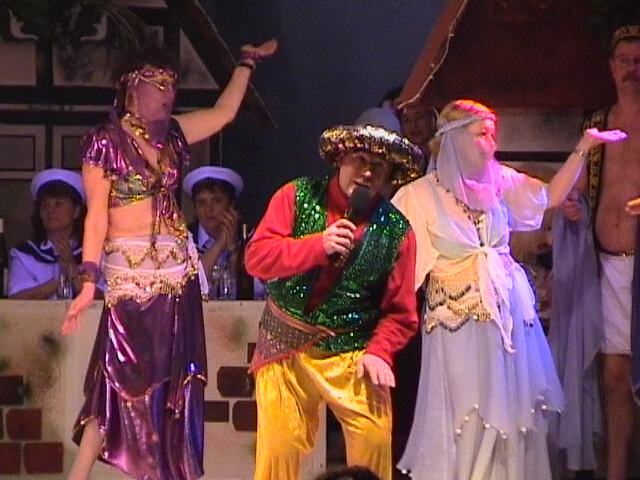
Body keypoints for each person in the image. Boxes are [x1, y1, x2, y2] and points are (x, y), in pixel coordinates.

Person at [60, 38, 277, 480]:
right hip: (131, 276)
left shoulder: (174, 134)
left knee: (176, 383)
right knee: (116, 377)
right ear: (131, 87)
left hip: (178, 277)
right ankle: (78, 475)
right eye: (158, 83)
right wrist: (88, 282)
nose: (168, 92)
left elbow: (224, 113)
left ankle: (168, 473)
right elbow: (96, 218)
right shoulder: (105, 143)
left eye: (172, 84)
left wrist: (246, 62)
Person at [391, 99, 625, 479]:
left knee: (510, 418)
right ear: (454, 138)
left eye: (493, 134)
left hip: (507, 322)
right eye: (481, 134)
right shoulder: (418, 196)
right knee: (467, 415)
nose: (491, 142)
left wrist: (584, 146)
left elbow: (549, 197)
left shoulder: (499, 182)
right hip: (457, 327)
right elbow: (392, 263)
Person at [245, 120, 423, 480]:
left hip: (352, 350)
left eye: (379, 167)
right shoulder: (296, 196)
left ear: (389, 177)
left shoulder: (397, 232)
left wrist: (380, 351)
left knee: (374, 438)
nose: (367, 172)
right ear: (340, 159)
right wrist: (317, 246)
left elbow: (401, 313)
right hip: (285, 344)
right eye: (359, 160)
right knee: (278, 449)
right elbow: (256, 258)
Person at [557, 24, 640, 479]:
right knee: (613, 377)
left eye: (639, 62)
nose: (632, 69)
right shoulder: (597, 125)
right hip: (604, 265)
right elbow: (578, 187)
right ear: (611, 68)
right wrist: (573, 205)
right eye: (625, 61)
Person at [8, 169, 86, 300]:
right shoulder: (24, 254)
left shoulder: (92, 253)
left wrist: (70, 264)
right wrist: (59, 282)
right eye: (45, 205)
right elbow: (16, 299)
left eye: (58, 204)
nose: (50, 210)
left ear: (76, 211)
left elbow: (102, 298)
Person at [183, 165, 243, 299]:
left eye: (217, 201)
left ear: (231, 205)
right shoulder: (182, 240)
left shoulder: (248, 237)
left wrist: (234, 252)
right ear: (194, 209)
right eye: (201, 202)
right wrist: (220, 243)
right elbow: (193, 286)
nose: (208, 209)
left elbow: (254, 290)